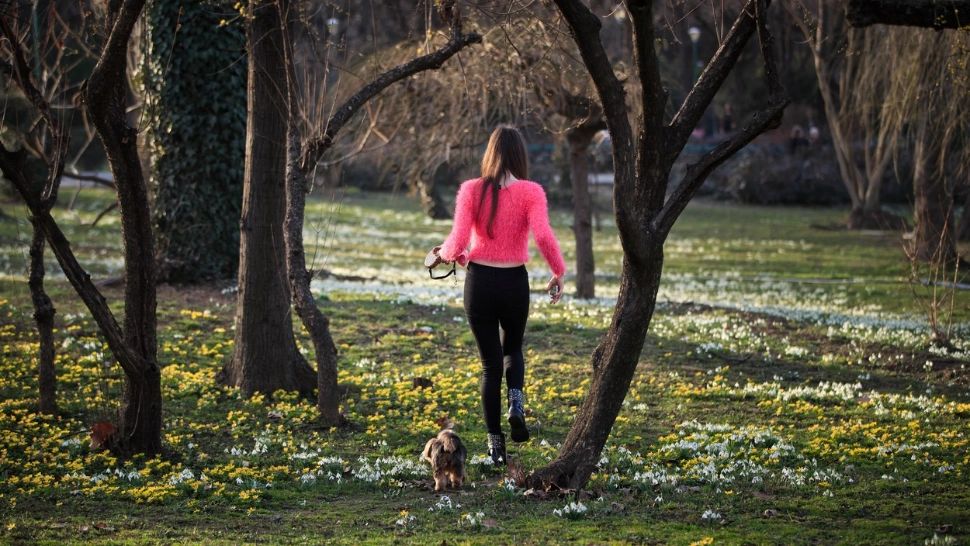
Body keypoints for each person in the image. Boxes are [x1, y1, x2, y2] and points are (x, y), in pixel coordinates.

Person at [434, 125, 566, 465]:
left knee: (490, 366)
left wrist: (441, 254)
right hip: (513, 284)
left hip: (479, 284)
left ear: (489, 154)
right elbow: (544, 236)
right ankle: (516, 404)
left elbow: (458, 240)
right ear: (520, 156)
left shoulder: (471, 190)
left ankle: (495, 447)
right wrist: (558, 271)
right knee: (513, 350)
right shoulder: (531, 191)